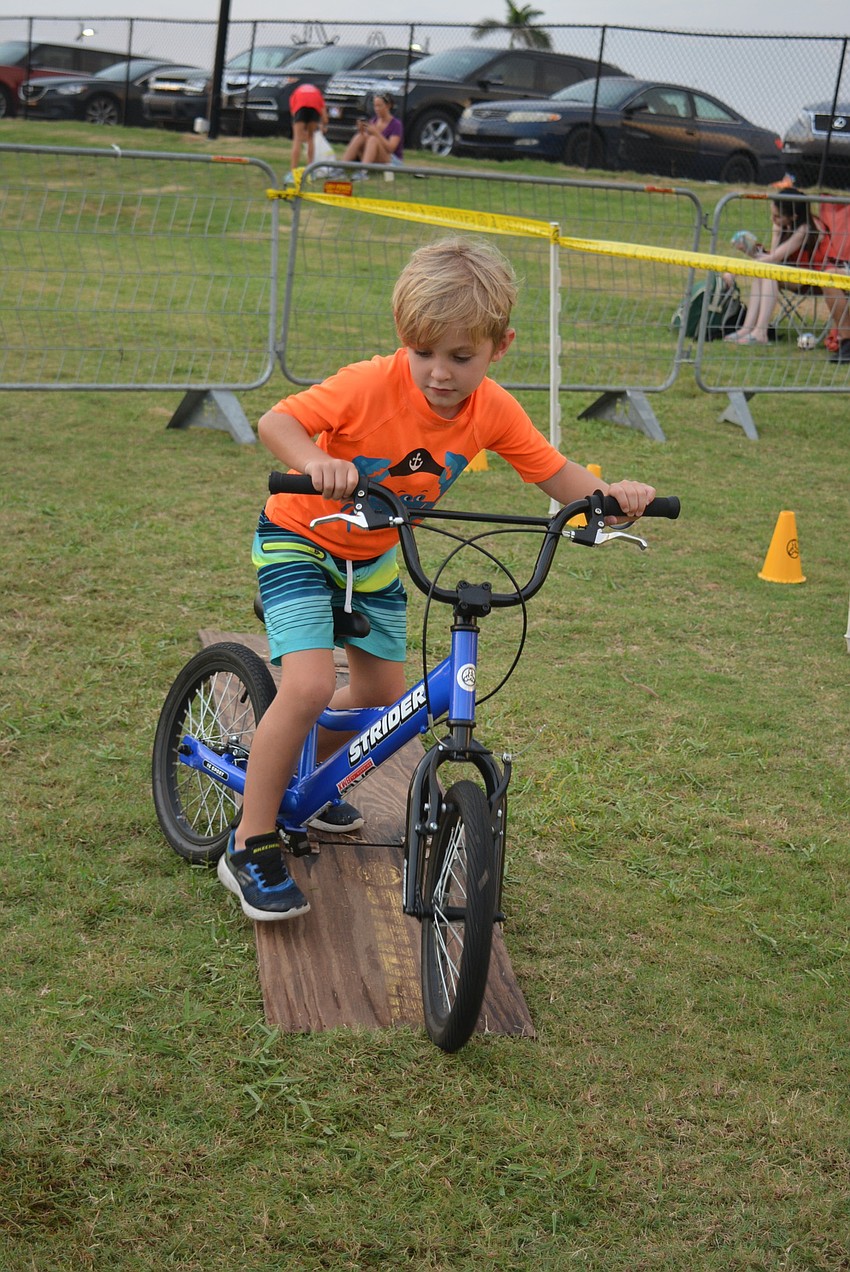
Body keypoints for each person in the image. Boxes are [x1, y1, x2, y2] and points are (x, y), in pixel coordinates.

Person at [217, 238, 657, 922]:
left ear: (499, 347)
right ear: (404, 339)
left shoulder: (493, 410)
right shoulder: (368, 383)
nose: (440, 373)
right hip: (301, 539)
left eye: (461, 357)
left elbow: (555, 476)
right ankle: (250, 841)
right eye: (424, 353)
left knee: (381, 694)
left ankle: (302, 774)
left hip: (377, 556)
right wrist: (315, 461)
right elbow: (279, 420)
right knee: (304, 684)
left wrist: (609, 497)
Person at [723, 195, 823, 345]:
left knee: (769, 273)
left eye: (777, 216)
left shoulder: (805, 229)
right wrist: (750, 250)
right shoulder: (782, 225)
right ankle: (747, 328)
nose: (773, 219)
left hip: (809, 277)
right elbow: (773, 255)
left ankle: (760, 332)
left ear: (793, 216)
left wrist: (736, 270)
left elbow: (775, 258)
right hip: (785, 271)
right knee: (764, 273)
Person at [340, 92, 403, 170]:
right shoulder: (373, 121)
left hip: (392, 160)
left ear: (388, 106)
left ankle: (363, 171)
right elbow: (367, 141)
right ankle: (341, 167)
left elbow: (391, 148)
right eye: (375, 106)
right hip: (375, 156)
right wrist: (362, 131)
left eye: (379, 106)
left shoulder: (396, 124)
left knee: (373, 139)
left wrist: (377, 133)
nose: (376, 109)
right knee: (360, 136)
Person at [288, 81, 328, 173]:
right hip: (314, 107)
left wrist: (301, 130)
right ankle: (310, 169)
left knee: (297, 139)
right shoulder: (318, 94)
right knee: (311, 138)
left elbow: (294, 113)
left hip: (300, 106)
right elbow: (325, 118)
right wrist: (323, 125)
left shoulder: (295, 94)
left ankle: (293, 170)